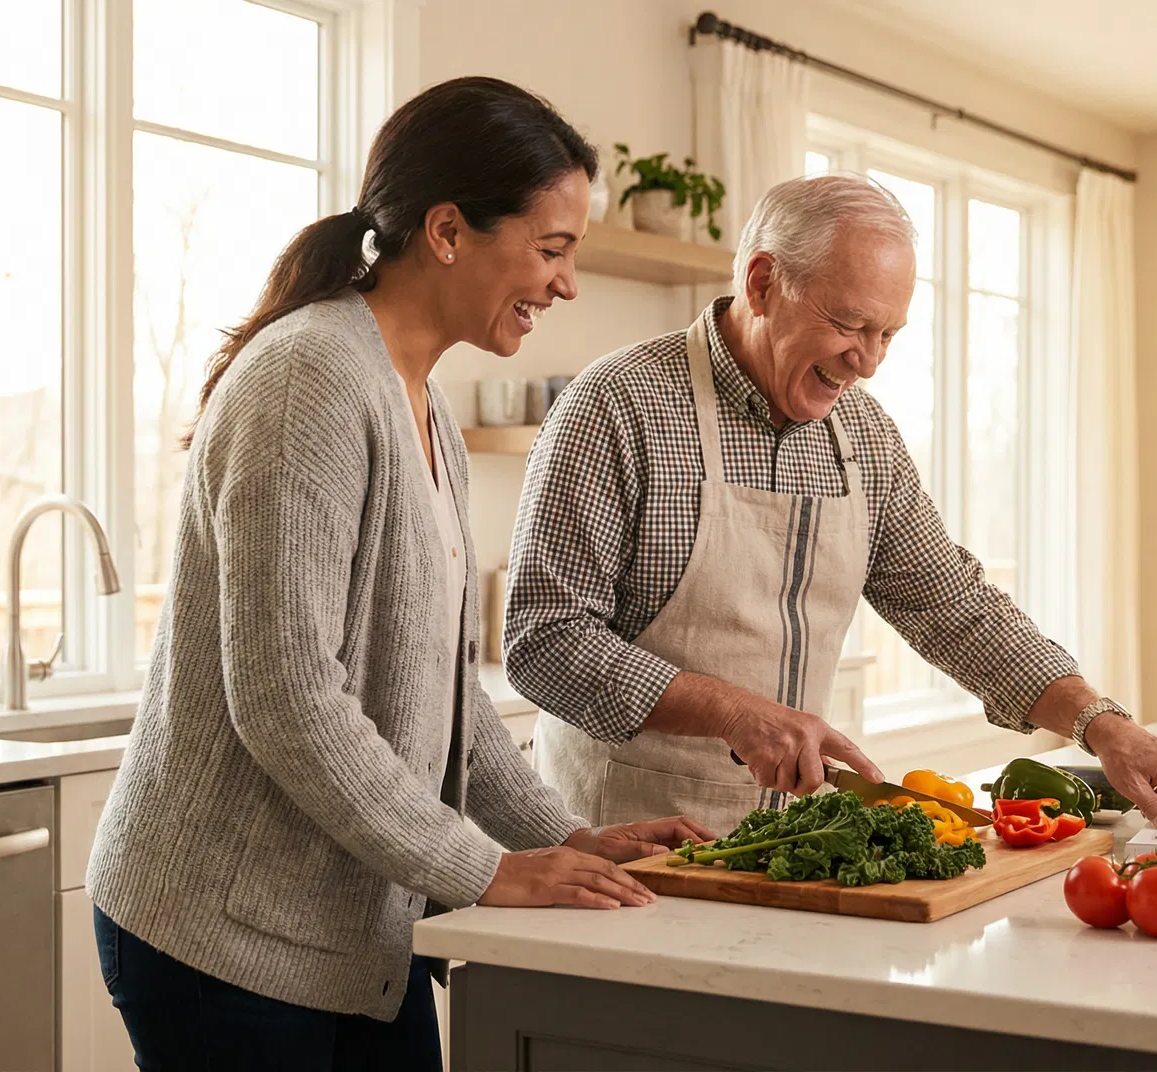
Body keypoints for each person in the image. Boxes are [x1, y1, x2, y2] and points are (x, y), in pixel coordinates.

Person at [85, 76, 712, 1072]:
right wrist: (486, 867)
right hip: (225, 938)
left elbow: (443, 689)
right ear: (450, 230)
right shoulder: (311, 379)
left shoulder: (421, 410)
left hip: (350, 932)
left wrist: (565, 836)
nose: (567, 284)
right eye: (551, 248)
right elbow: (290, 699)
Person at [506, 174, 1157, 836]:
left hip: (789, 847)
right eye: (851, 325)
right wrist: (735, 711)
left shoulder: (864, 435)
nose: (868, 361)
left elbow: (956, 608)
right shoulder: (618, 404)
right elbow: (544, 643)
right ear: (763, 283)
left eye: (888, 334)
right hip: (616, 844)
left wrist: (1101, 724)